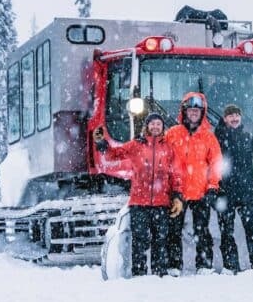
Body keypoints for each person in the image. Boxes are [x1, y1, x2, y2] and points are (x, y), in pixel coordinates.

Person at [94, 113, 182, 277]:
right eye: (152, 124)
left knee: (160, 240)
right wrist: (102, 143)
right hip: (139, 202)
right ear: (147, 126)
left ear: (163, 127)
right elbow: (114, 154)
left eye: (158, 124)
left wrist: (177, 195)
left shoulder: (169, 148)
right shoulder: (136, 145)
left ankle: (159, 274)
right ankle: (139, 273)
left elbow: (176, 174)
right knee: (140, 240)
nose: (155, 127)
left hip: (161, 202)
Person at [165, 92, 223, 275]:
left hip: (201, 192)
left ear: (202, 113)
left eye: (197, 111)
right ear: (184, 111)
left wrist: (213, 187)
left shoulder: (208, 137)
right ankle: (174, 265)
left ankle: (204, 265)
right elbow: (162, 157)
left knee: (202, 230)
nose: (193, 113)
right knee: (173, 230)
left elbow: (216, 162)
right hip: (177, 192)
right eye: (190, 110)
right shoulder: (172, 134)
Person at [214, 104, 253, 273]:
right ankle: (231, 267)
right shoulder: (217, 139)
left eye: (237, 115)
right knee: (226, 232)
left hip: (247, 192)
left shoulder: (249, 139)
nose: (235, 118)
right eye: (231, 116)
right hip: (224, 192)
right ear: (225, 118)